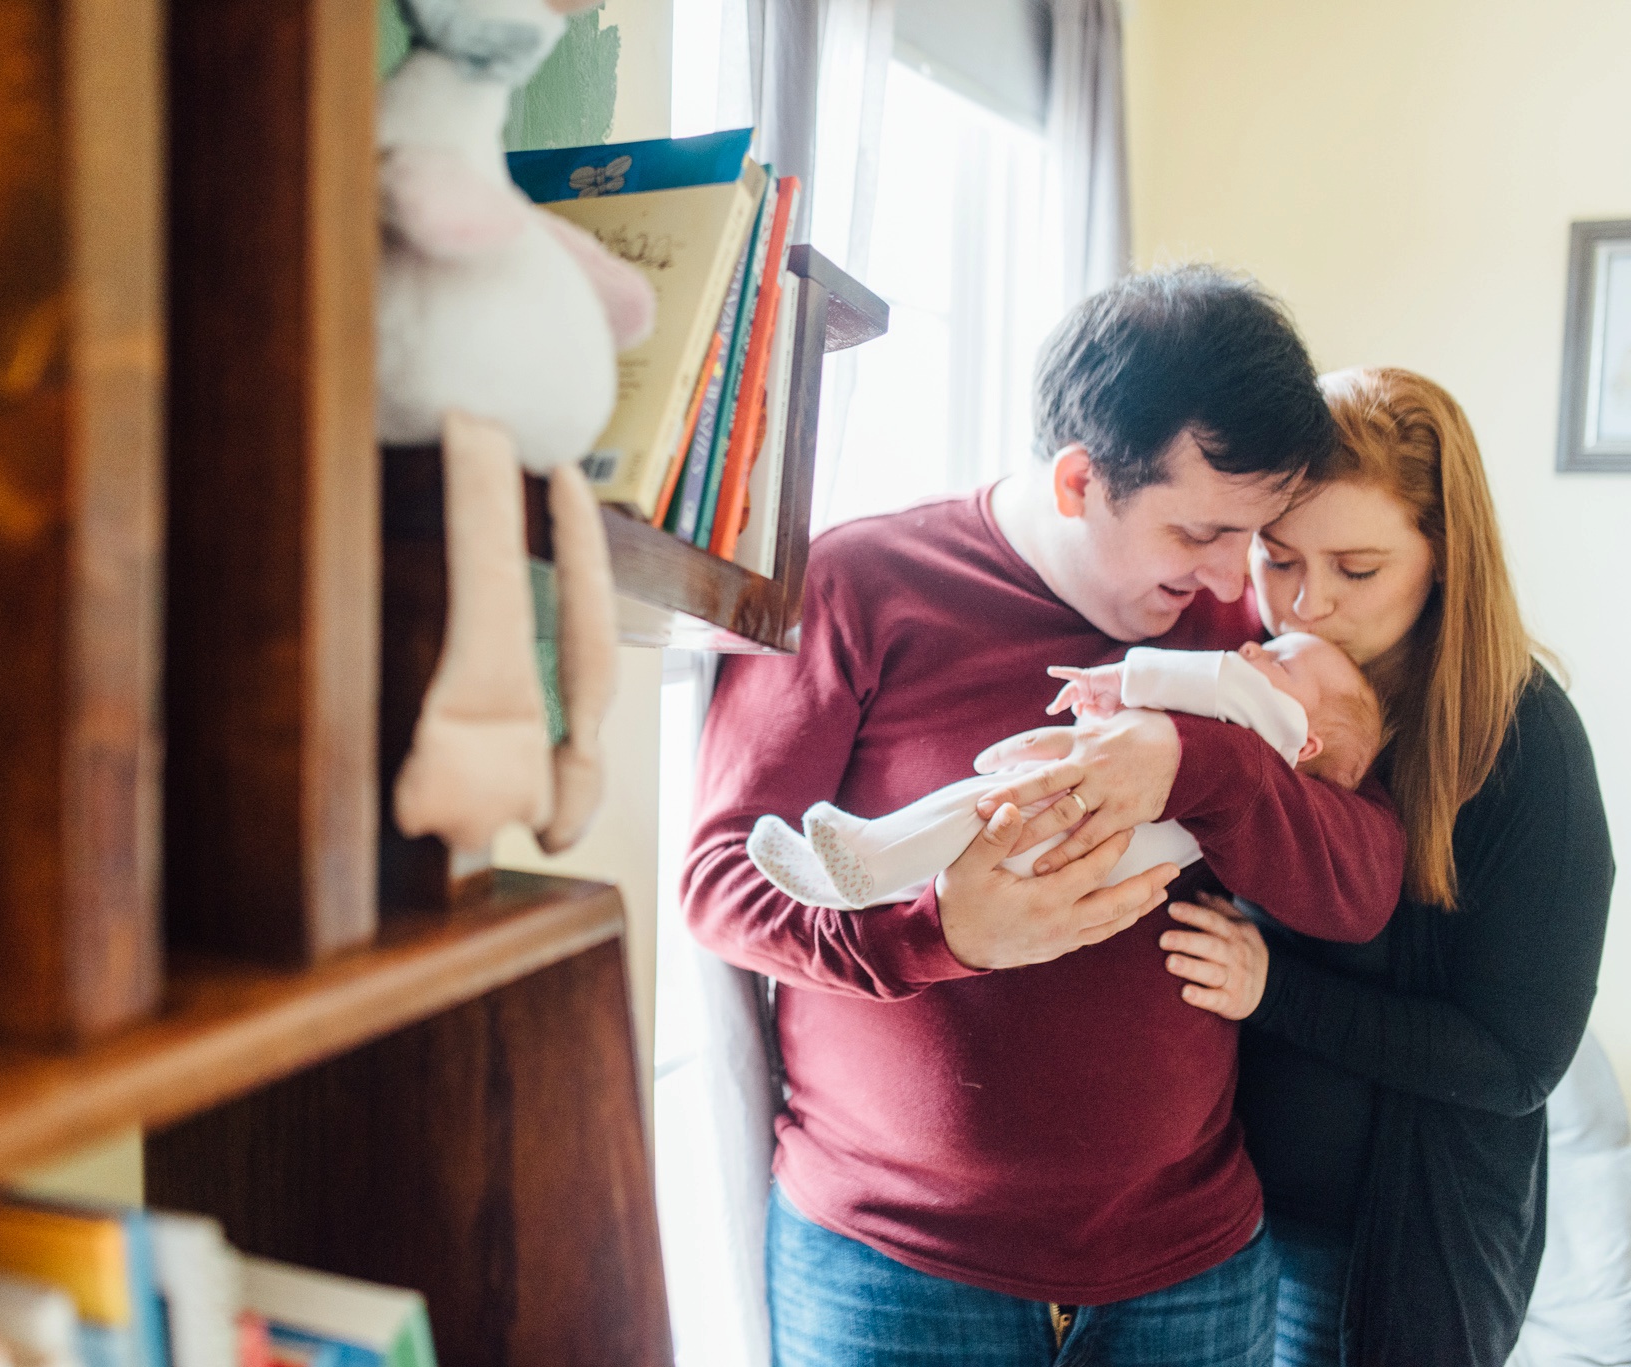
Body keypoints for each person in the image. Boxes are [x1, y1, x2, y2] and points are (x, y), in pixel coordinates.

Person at [682, 266, 1407, 1367]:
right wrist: (937, 933)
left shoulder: (1242, 643)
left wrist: (1195, 757)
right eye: (1199, 532)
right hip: (890, 1265)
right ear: (1077, 481)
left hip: (1188, 1267)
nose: (1238, 580)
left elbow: (1358, 883)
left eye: (1249, 536)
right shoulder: (859, 584)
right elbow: (723, 881)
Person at [1151, 367, 1616, 1367]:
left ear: (1441, 555)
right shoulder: (1248, 679)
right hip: (1210, 1218)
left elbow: (1515, 1061)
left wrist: (1272, 988)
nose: (1304, 604)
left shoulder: (1524, 741)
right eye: (1276, 560)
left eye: (1355, 568)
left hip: (1387, 1249)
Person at [747, 632, 1381, 910]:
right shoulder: (1255, 736)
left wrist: (1120, 678)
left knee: (983, 810)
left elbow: (1219, 681)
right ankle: (854, 878)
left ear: (1309, 745)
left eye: (1280, 661)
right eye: (1269, 646)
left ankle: (869, 858)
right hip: (1087, 837)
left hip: (1085, 834)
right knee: (968, 829)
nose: (1251, 650)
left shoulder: (1278, 734)